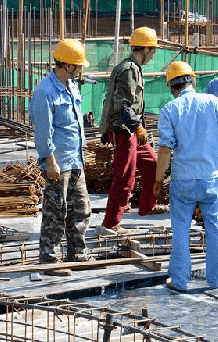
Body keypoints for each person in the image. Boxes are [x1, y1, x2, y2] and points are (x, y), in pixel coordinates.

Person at [154, 61, 218, 292]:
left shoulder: (170, 109)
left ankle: (179, 280)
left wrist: (158, 182)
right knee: (215, 227)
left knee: (180, 230)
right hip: (212, 178)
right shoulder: (212, 102)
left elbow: (165, 149)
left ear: (172, 86)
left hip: (184, 180)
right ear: (193, 82)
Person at [30, 39, 93, 273]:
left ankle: (77, 253)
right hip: (58, 162)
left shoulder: (71, 86)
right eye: (78, 65)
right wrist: (50, 161)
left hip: (75, 160)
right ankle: (49, 259)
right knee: (55, 212)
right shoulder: (45, 91)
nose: (81, 70)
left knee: (81, 209)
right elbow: (43, 131)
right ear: (67, 65)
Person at [97, 27, 166, 237]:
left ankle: (147, 206)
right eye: (152, 50)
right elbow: (123, 105)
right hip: (124, 131)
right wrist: (138, 127)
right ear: (144, 49)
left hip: (132, 129)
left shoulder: (134, 68)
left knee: (152, 164)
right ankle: (109, 224)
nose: (153, 55)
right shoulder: (129, 70)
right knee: (124, 178)